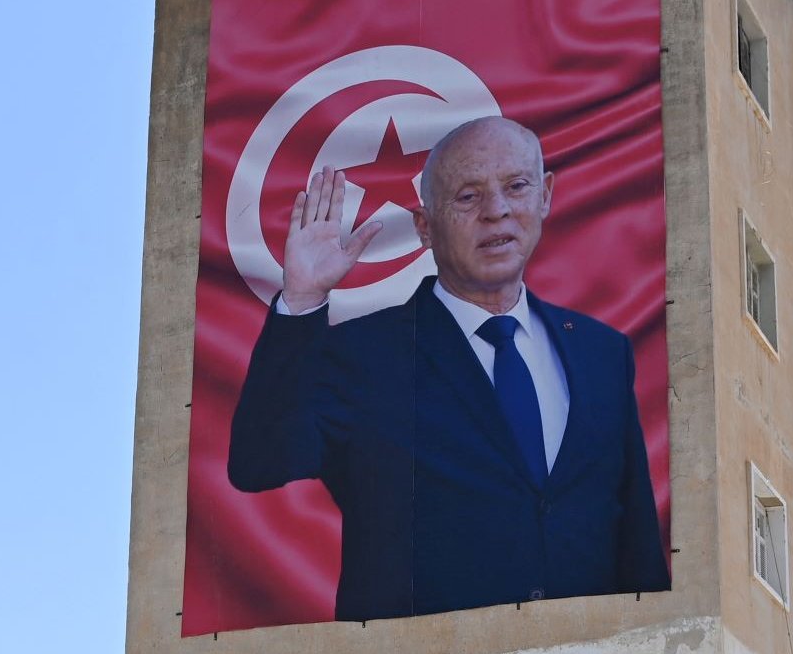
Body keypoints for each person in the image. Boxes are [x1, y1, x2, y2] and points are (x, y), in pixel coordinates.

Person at [227, 115, 668, 620]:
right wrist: (302, 300)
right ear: (424, 226)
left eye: (516, 186)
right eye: (467, 197)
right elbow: (260, 463)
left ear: (545, 195)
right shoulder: (364, 354)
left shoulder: (602, 352)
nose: (497, 211)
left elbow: (635, 538)